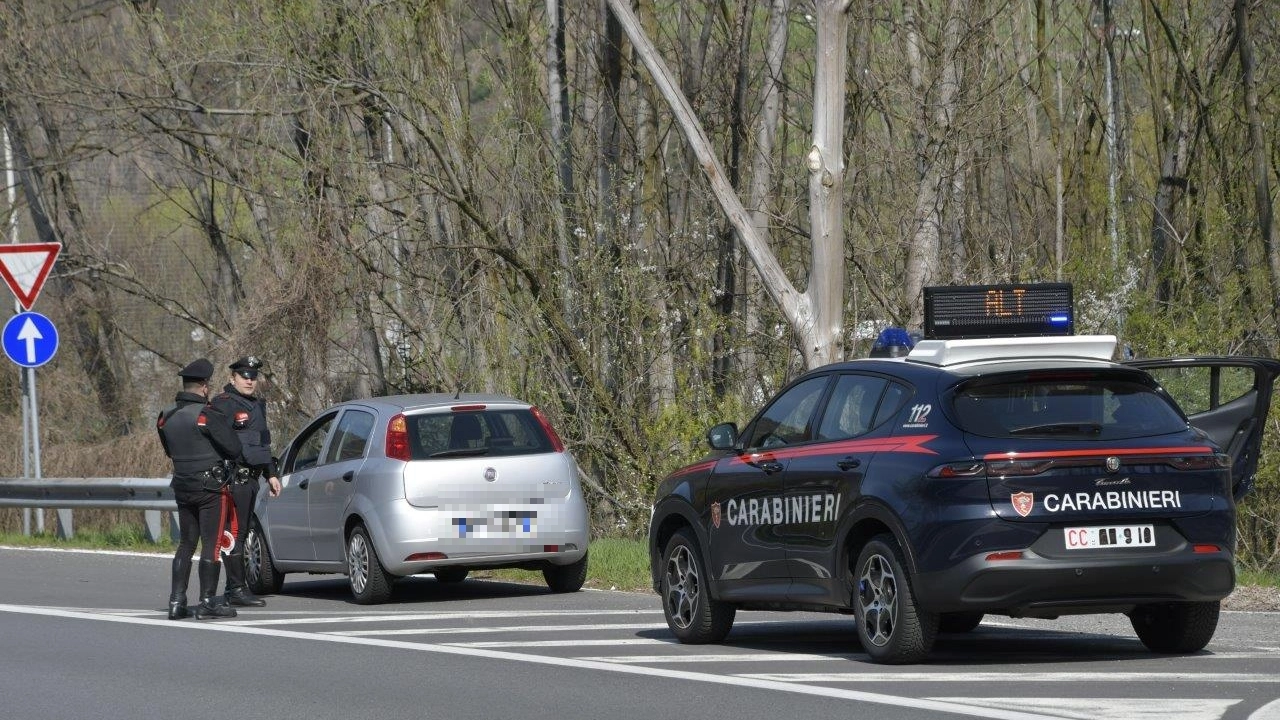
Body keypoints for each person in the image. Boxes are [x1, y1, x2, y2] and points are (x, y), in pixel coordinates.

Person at [156, 358, 243, 620]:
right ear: (204, 386)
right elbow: (234, 448)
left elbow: (169, 450)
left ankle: (176, 601)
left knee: (185, 543)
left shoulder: (165, 416)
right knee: (212, 544)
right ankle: (207, 602)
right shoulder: (207, 415)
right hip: (209, 488)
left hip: (182, 485)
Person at [209, 355, 282, 607]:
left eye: (253, 377)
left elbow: (262, 444)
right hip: (234, 479)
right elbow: (214, 441)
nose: (250, 381)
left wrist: (270, 473)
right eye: (245, 376)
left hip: (252, 480)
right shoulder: (224, 404)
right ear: (233, 378)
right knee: (235, 534)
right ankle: (235, 589)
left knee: (242, 534)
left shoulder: (258, 405)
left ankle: (235, 587)